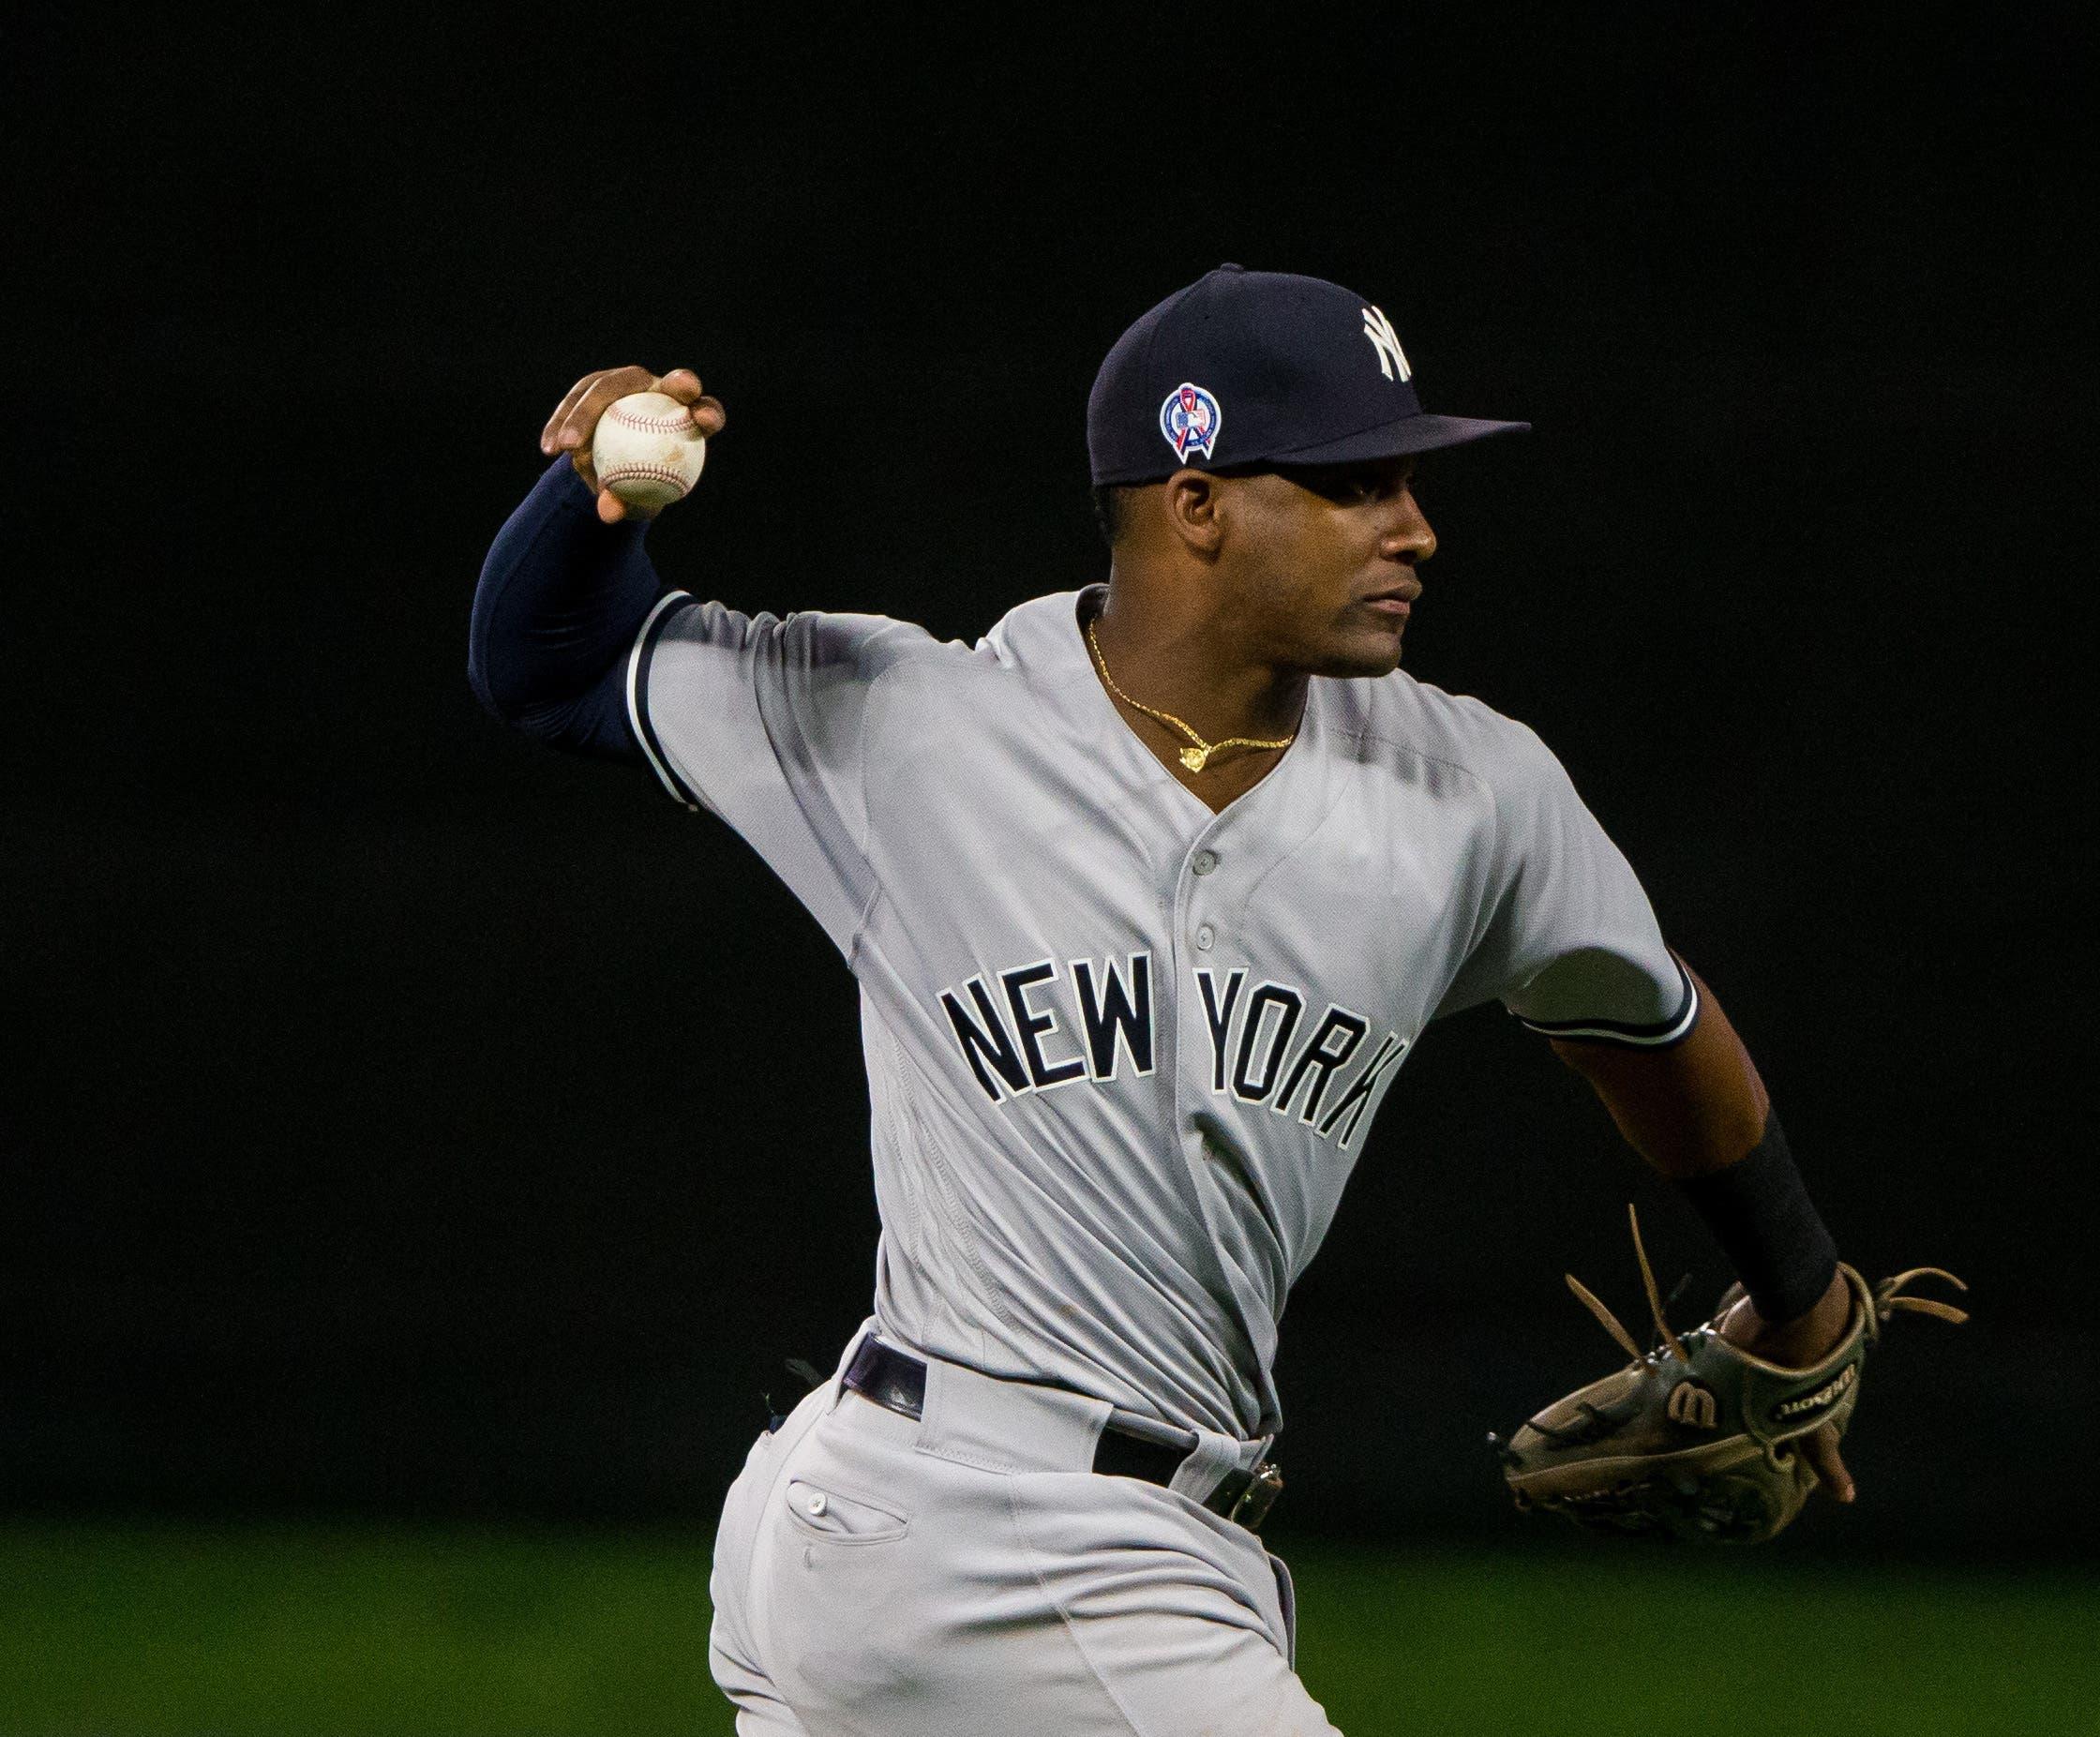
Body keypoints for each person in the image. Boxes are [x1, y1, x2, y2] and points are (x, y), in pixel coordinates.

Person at [470, 264, 1859, 1736]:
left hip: (1091, 1537)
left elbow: (1650, 1027)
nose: (1417, 526)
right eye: (1353, 482)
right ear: (1196, 503)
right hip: (987, 1537)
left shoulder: (1475, 796)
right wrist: (591, 496)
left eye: (1410, 479)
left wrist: (1803, 1289)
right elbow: (547, 661)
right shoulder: (915, 725)